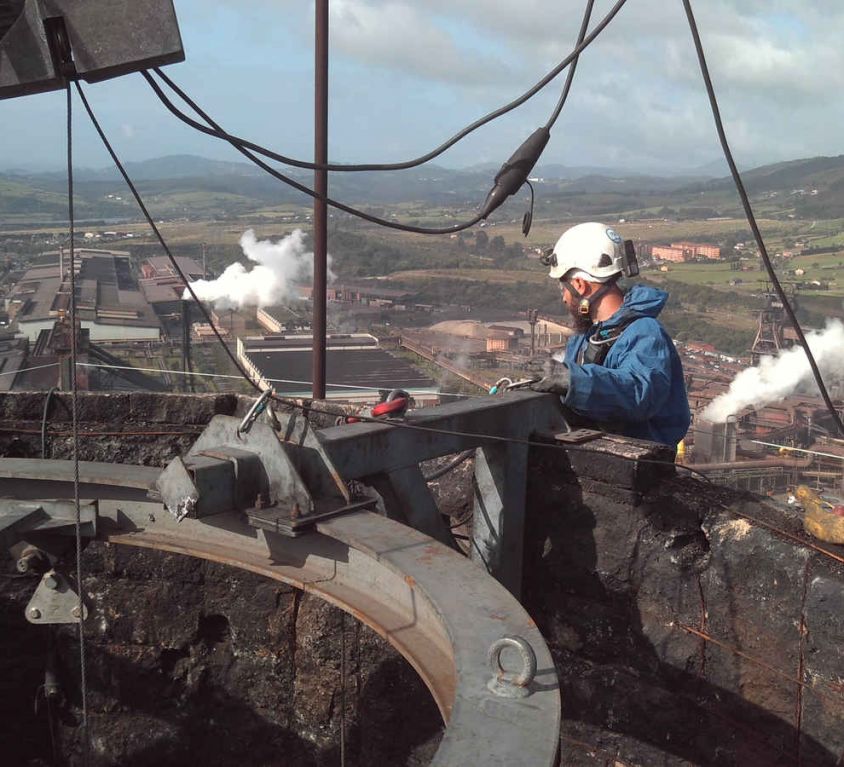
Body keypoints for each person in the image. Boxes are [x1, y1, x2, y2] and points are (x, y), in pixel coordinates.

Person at [530, 221, 691, 447]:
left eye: (563, 288)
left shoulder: (644, 332)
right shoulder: (583, 337)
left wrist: (571, 380)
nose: (564, 298)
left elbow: (639, 393)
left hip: (643, 467)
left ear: (580, 285)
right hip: (598, 456)